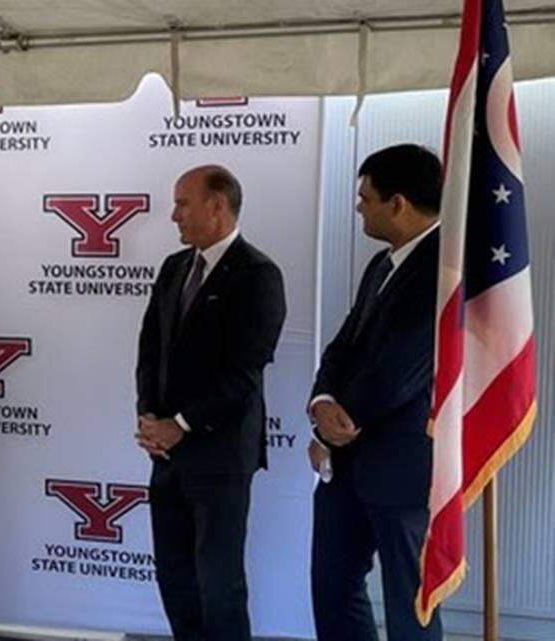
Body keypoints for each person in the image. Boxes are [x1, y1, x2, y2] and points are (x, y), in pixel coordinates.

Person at [135, 164, 286, 641]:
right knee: (175, 579)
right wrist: (150, 416)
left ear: (217, 206)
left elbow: (244, 371)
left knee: (219, 584)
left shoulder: (258, 274)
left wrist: (181, 422)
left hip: (220, 457)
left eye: (183, 203)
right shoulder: (174, 267)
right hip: (167, 455)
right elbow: (150, 347)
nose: (173, 215)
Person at [307, 143, 443, 641]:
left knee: (411, 603)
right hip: (345, 464)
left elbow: (403, 369)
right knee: (333, 586)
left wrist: (340, 425)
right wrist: (321, 403)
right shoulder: (381, 265)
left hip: (403, 467)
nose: (359, 205)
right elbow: (344, 345)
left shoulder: (446, 269)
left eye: (366, 197)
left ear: (398, 203)